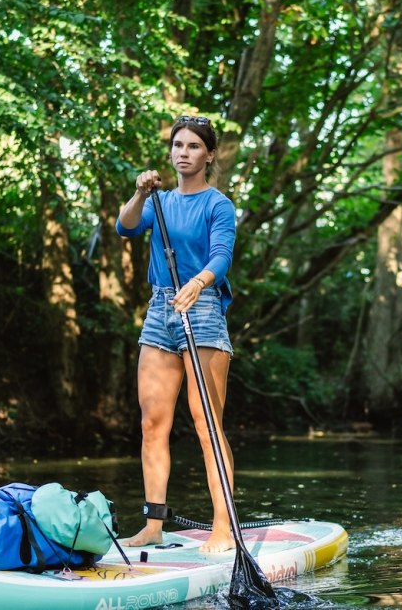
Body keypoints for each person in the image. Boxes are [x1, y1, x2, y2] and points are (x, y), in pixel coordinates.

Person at [113, 115, 241, 554]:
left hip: (202, 309)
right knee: (152, 423)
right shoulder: (160, 201)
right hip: (160, 309)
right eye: (177, 145)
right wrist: (139, 192)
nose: (182, 152)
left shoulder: (217, 205)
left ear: (209, 155)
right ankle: (153, 525)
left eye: (192, 146)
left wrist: (200, 281)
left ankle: (223, 527)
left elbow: (221, 255)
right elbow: (125, 227)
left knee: (207, 424)